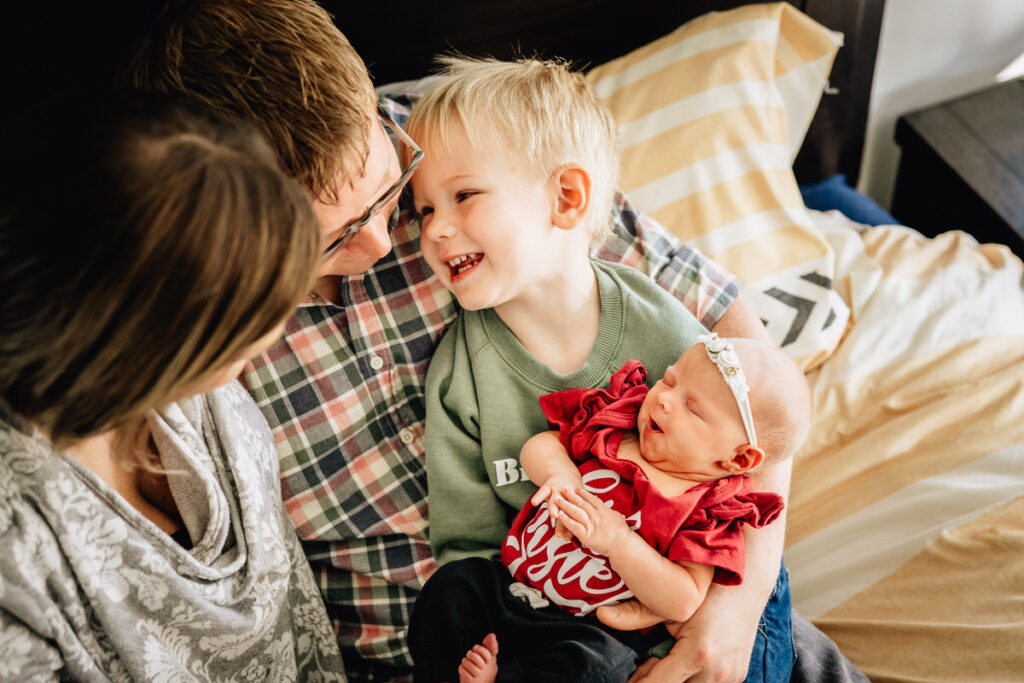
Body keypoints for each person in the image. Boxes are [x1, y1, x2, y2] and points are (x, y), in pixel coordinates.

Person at [121, 2, 866, 681]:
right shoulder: (189, 331)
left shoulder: (463, 143)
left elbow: (750, 379)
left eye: (388, 189)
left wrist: (729, 614)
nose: (391, 237)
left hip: (676, 594)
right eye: (338, 236)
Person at [402, 56, 789, 682]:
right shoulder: (459, 373)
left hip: (672, 584)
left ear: (566, 197)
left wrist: (677, 606)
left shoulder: (661, 329)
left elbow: (737, 467)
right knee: (448, 598)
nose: (436, 231)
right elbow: (466, 542)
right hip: (544, 600)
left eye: (464, 196)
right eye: (423, 211)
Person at [0, 90, 346, 681]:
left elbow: (300, 625)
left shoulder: (221, 413)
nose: (273, 332)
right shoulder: (21, 551)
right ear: (139, 336)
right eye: (245, 318)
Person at [410, 334, 812, 683]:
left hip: (582, 630)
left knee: (597, 671)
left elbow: (684, 598)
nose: (665, 400)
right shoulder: (614, 429)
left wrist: (619, 543)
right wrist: (561, 475)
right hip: (511, 587)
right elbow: (542, 445)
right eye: (669, 381)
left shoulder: (706, 509)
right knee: (453, 585)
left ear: (738, 459)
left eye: (693, 408)